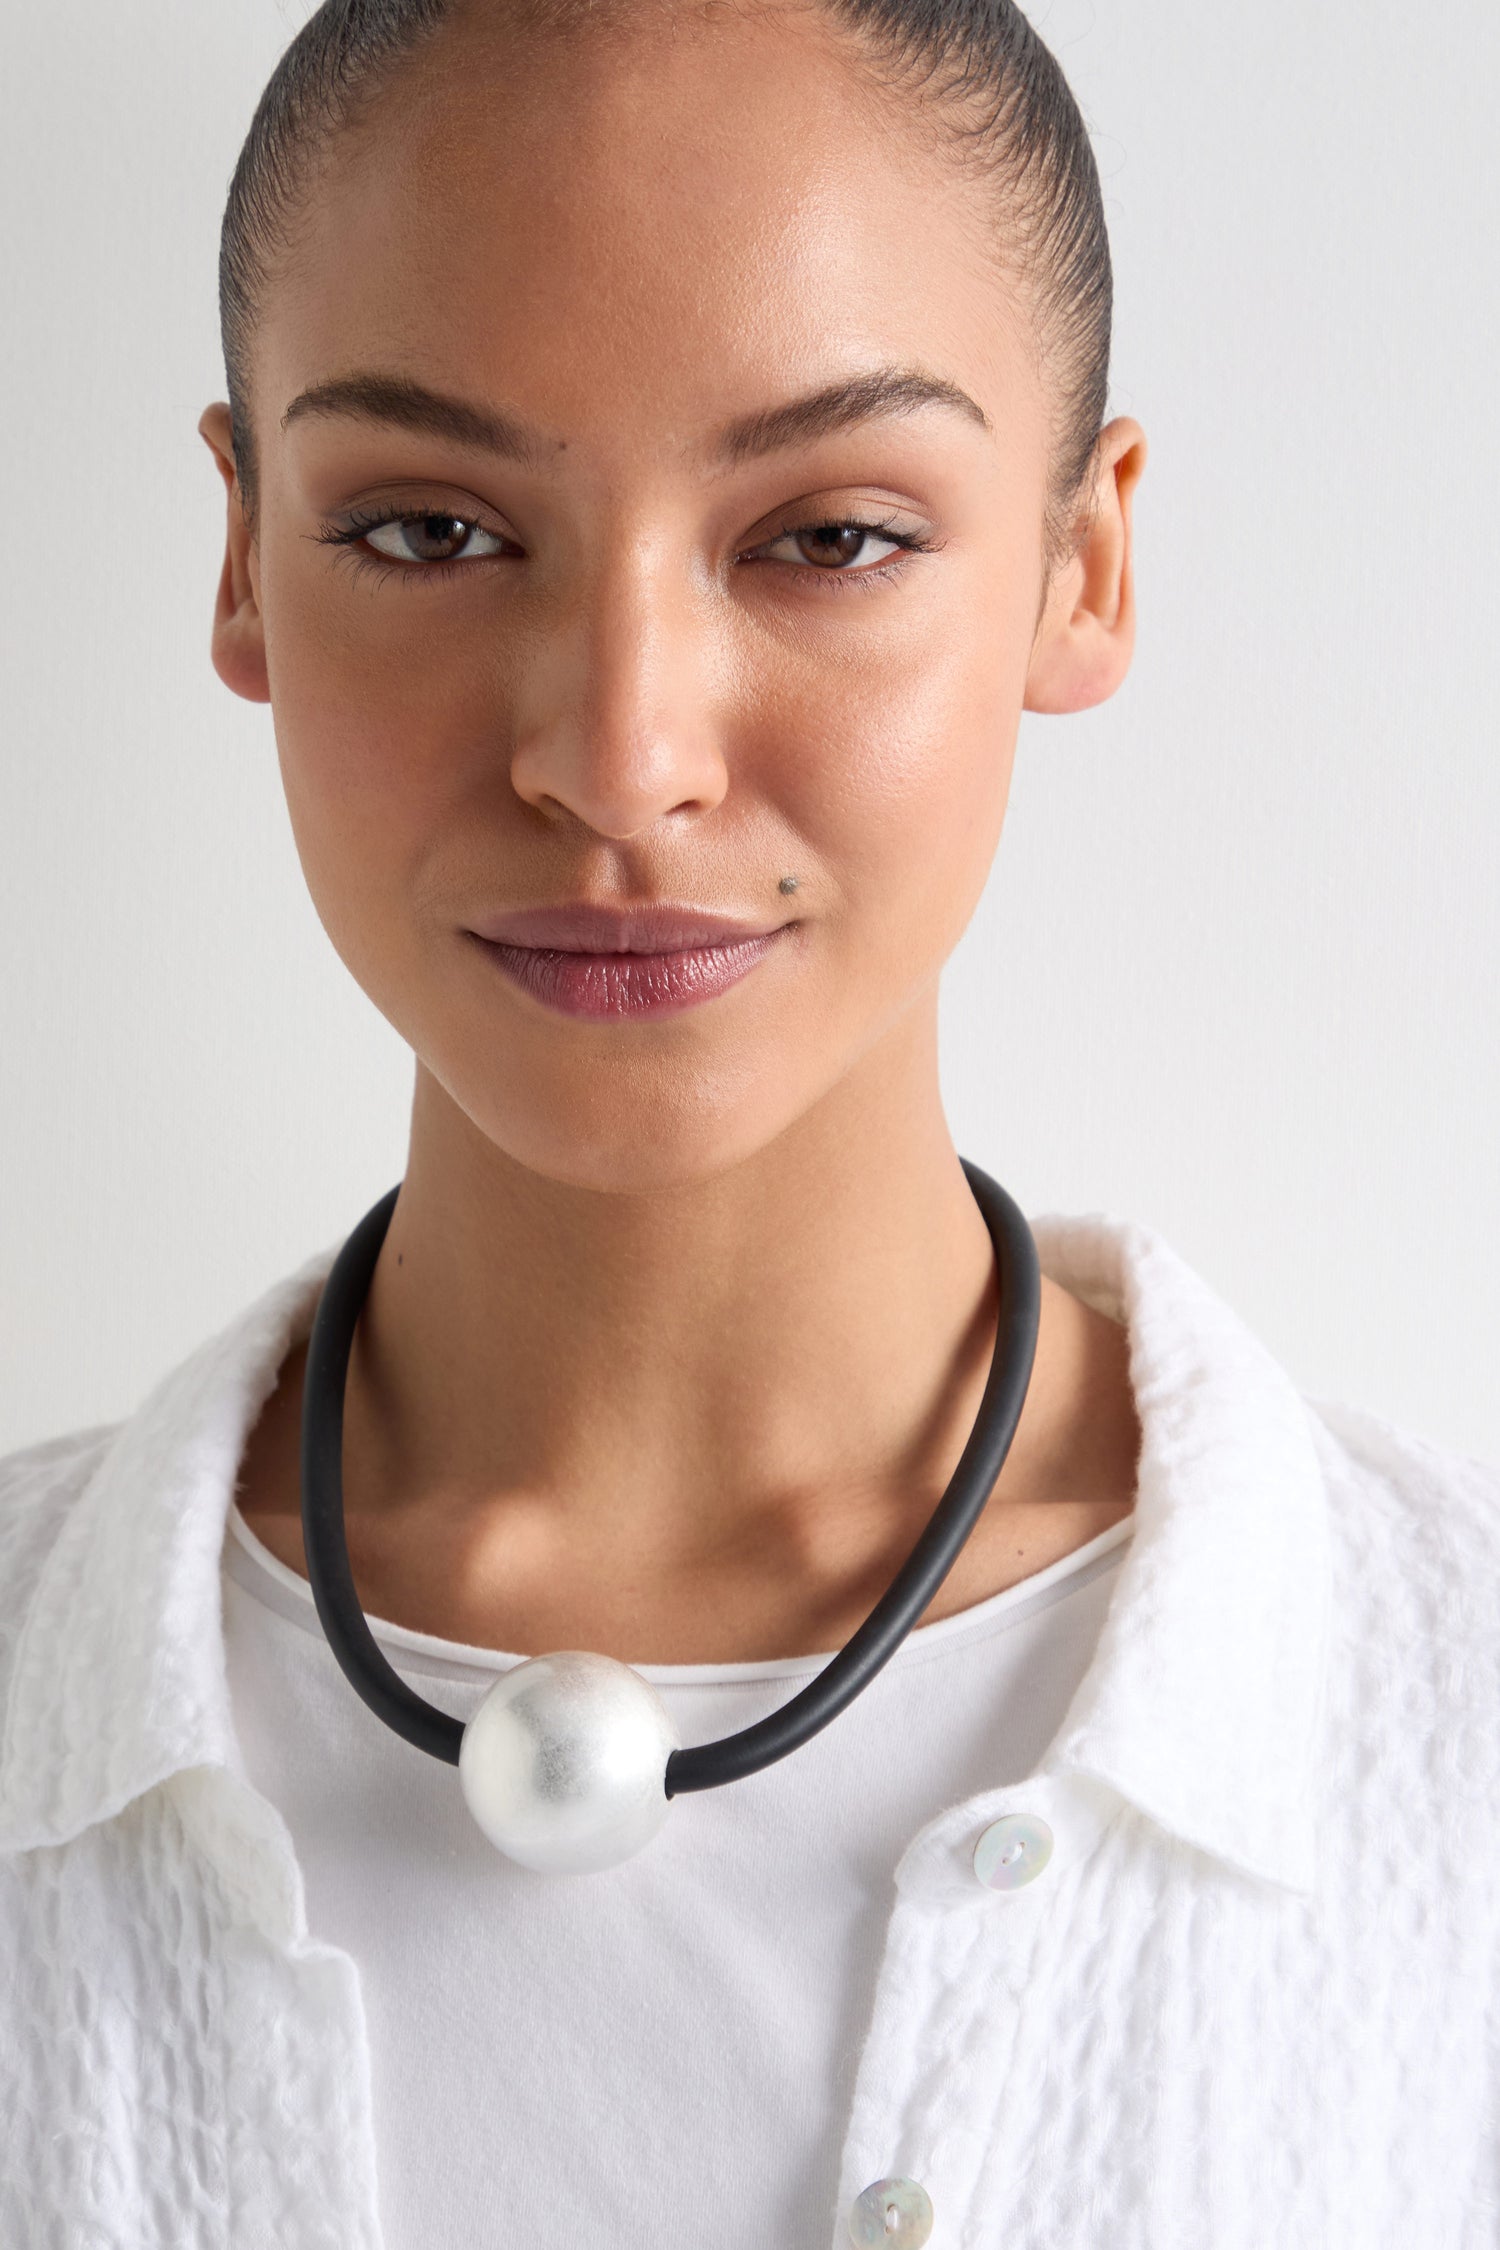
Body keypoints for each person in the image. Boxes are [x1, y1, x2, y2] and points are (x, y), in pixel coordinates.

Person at [1, 0, 1496, 2243]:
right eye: (426, 527)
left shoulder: (1448, 1737)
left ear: (1082, 566)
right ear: (241, 559)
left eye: (828, 537)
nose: (621, 756)